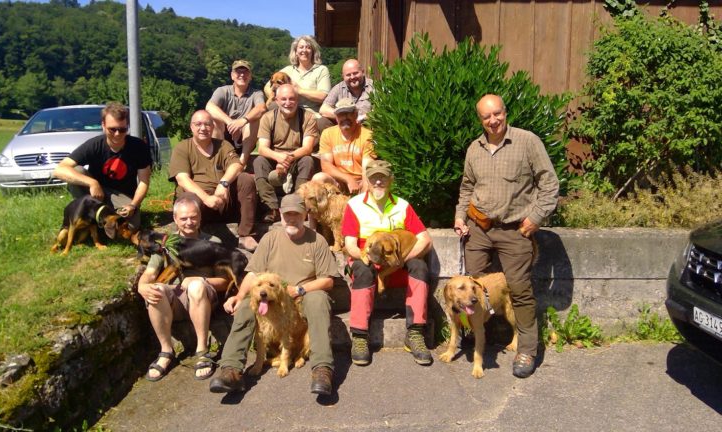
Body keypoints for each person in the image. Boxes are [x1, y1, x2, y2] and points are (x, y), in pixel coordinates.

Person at [453, 94, 560, 379]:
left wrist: (536, 217)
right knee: (474, 287)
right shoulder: (474, 149)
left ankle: (527, 349)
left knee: (519, 288)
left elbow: (549, 183)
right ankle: (478, 339)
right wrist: (460, 216)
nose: (493, 120)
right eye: (486, 117)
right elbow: (467, 187)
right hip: (479, 227)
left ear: (505, 112)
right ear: (480, 120)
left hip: (515, 230)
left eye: (497, 113)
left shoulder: (527, 141)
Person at [208, 193, 340, 396]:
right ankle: (231, 369)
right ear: (280, 214)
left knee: (319, 299)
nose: (292, 219)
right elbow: (253, 274)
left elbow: (328, 280)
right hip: (271, 296)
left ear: (305, 214)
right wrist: (238, 295)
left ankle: (322, 368)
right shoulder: (270, 239)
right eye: (287, 215)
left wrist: (300, 290)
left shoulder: (317, 241)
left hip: (301, 295)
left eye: (296, 214)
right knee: (244, 306)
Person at [341, 160, 434, 366]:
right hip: (365, 258)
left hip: (397, 260)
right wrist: (365, 258)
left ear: (390, 180)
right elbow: (350, 244)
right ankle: (359, 335)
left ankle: (416, 332)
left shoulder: (402, 205)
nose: (378, 182)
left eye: (382, 177)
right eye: (373, 177)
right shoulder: (354, 205)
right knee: (362, 270)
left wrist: (402, 261)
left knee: (419, 266)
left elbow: (424, 239)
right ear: (366, 180)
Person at [137, 195, 232, 381]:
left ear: (200, 217)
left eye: (193, 217)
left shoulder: (213, 242)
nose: (189, 222)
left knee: (196, 286)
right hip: (176, 302)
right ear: (175, 219)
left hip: (203, 298)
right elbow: (150, 273)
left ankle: (202, 351)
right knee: (155, 289)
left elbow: (224, 282)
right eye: (183, 218)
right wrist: (142, 286)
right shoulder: (166, 244)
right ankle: (166, 351)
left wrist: (200, 279)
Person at [169, 110, 259, 251]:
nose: (203, 128)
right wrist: (206, 198)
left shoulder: (223, 145)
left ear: (213, 127)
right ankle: (191, 238)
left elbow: (236, 165)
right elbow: (182, 179)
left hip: (223, 200)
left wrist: (223, 184)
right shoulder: (182, 148)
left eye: (207, 124)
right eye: (198, 124)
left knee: (245, 179)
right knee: (187, 197)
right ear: (191, 127)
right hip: (199, 204)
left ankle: (246, 234)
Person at [53, 102, 152, 228]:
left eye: (122, 129)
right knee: (77, 170)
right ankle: (89, 215)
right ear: (103, 126)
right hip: (96, 194)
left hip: (122, 196)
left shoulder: (138, 146)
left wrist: (133, 204)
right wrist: (92, 183)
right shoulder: (94, 145)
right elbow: (60, 169)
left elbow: (144, 181)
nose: (117, 134)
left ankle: (102, 221)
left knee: (132, 226)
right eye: (112, 129)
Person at [253, 83, 318, 222]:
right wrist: (278, 157)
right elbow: (262, 148)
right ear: (276, 100)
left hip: (297, 157)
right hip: (274, 158)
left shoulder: (308, 117)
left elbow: (307, 148)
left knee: (308, 160)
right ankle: (271, 207)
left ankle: (297, 204)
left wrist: (288, 158)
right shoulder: (268, 117)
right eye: (283, 99)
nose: (288, 103)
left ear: (297, 100)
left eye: (292, 99)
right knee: (259, 161)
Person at [205, 60, 267, 167]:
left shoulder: (257, 93)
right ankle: (219, 159)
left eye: (245, 72)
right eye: (238, 72)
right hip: (224, 135)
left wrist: (242, 121)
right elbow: (209, 107)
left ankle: (242, 162)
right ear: (232, 76)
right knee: (214, 120)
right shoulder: (222, 91)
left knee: (254, 121)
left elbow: (261, 108)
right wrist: (230, 122)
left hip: (245, 139)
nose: (242, 75)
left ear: (250, 76)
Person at [312, 98, 376, 194]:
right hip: (339, 181)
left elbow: (367, 170)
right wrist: (348, 179)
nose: (345, 117)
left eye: (349, 113)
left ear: (356, 114)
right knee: (319, 178)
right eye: (341, 114)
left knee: (369, 181)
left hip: (360, 181)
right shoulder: (328, 133)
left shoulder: (367, 135)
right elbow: (326, 165)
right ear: (336, 117)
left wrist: (361, 189)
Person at [267, 35, 330, 120]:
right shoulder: (287, 70)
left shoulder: (321, 70)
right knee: (273, 105)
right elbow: (268, 86)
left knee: (323, 122)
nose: (304, 50)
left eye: (308, 47)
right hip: (290, 111)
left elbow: (323, 96)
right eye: (301, 47)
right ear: (296, 51)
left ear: (313, 51)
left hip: (312, 114)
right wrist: (273, 96)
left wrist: (299, 90)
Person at [319, 59, 375, 124]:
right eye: (348, 75)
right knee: (322, 121)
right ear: (343, 76)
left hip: (367, 125)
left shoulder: (373, 86)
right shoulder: (338, 88)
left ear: (362, 72)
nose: (352, 77)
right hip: (345, 126)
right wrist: (343, 116)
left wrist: (362, 117)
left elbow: (380, 110)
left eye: (355, 73)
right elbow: (323, 109)